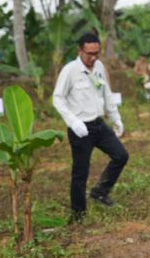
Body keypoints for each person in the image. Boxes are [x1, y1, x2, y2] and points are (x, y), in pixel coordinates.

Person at [53, 33, 129, 223]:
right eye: (89, 53)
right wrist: (72, 121)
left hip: (98, 124)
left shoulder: (99, 67)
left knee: (121, 155)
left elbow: (106, 93)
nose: (93, 57)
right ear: (80, 51)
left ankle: (100, 192)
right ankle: (78, 214)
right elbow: (58, 98)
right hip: (80, 128)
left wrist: (116, 118)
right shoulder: (70, 71)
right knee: (80, 172)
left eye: (97, 53)